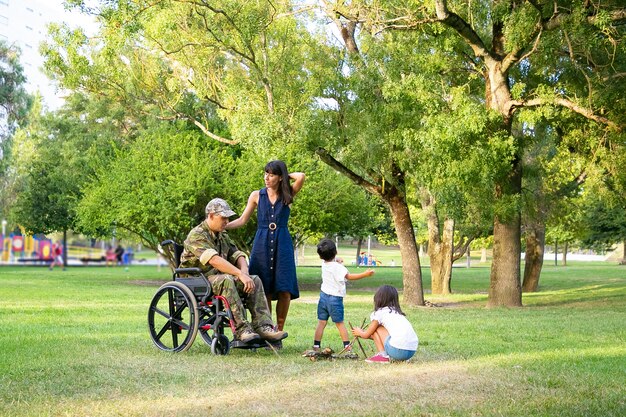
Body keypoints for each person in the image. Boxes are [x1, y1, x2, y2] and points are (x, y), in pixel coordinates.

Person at [179, 197, 287, 344]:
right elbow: (214, 260)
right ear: (211, 216)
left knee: (255, 279)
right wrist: (239, 274)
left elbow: (237, 254)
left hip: (215, 279)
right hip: (195, 280)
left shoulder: (222, 235)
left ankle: (264, 327)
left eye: (228, 218)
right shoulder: (197, 235)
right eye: (223, 218)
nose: (227, 222)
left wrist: (245, 273)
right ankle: (241, 330)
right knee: (227, 280)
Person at [225, 160, 305, 335]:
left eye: (271, 174)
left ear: (279, 177)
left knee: (285, 289)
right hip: (261, 243)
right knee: (264, 287)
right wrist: (223, 226)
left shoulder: (288, 194)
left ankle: (279, 329)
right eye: (265, 173)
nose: (266, 178)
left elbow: (301, 176)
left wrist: (285, 175)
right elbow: (242, 220)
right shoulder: (256, 195)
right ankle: (267, 328)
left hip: (282, 243)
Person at [312, 238, 374, 352]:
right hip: (335, 299)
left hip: (323, 297)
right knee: (339, 323)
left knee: (321, 322)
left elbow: (331, 261)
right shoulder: (339, 268)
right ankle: (346, 346)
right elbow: (349, 277)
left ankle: (316, 346)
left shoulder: (324, 264)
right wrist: (365, 274)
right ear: (335, 252)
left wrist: (337, 260)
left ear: (321, 256)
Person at [351, 285, 418, 363]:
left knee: (376, 328)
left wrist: (360, 332)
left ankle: (382, 356)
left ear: (378, 298)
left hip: (397, 350)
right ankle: (400, 357)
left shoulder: (379, 313)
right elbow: (380, 337)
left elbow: (366, 334)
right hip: (411, 351)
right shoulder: (398, 313)